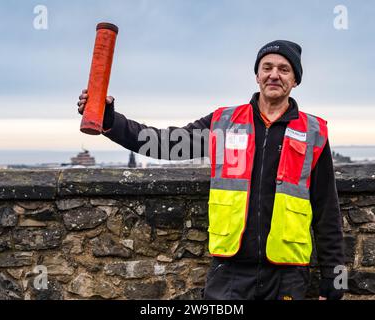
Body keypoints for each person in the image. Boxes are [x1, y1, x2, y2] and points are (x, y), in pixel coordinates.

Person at [77, 40, 345, 300]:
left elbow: (326, 211)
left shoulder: (312, 132)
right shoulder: (223, 123)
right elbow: (164, 144)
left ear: (295, 79)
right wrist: (110, 120)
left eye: (284, 69)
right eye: (267, 67)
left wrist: (333, 280)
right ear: (257, 75)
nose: (274, 75)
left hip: (288, 274)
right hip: (230, 271)